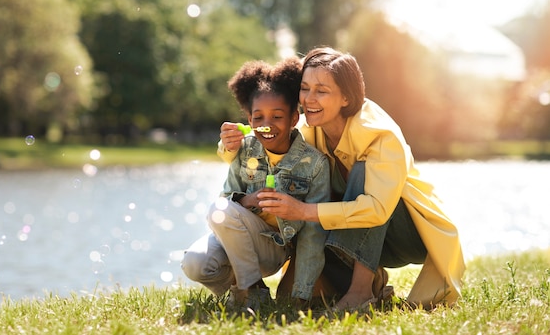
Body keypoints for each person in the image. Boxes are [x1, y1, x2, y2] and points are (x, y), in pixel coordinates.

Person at [218, 46, 465, 311]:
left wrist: (303, 210)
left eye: (322, 91)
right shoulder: (309, 129)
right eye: (305, 88)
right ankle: (375, 284)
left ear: (346, 98)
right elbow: (266, 140)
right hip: (357, 235)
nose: (309, 99)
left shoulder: (379, 135)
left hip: (407, 235)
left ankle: (360, 293)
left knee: (361, 171)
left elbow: (377, 210)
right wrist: (228, 146)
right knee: (290, 297)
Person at [181, 57, 331, 310]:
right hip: (236, 242)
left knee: (220, 210)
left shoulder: (314, 164)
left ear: (294, 118)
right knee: (195, 263)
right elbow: (225, 201)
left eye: (277, 116)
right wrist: (246, 201)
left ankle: (248, 290)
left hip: (273, 247)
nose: (267, 125)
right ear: (249, 120)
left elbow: (314, 234)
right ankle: (252, 287)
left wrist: (301, 293)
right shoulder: (245, 150)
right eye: (258, 117)